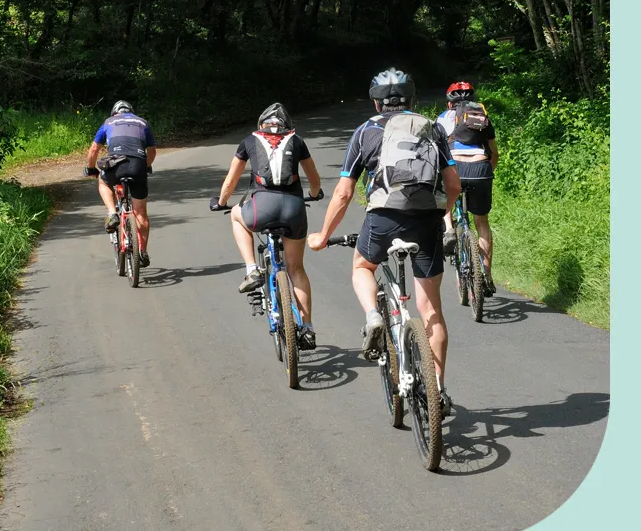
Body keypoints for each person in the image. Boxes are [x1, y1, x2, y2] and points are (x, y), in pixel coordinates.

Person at [307, 69, 460, 415]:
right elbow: (453, 186)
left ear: (376, 101)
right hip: (426, 221)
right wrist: (440, 215)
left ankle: (374, 316)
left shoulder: (366, 131)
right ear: (412, 99)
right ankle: (436, 391)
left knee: (362, 266)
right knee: (431, 309)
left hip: (384, 218)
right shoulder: (432, 128)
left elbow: (344, 192)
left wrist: (323, 236)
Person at [210, 103, 323, 348]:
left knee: (236, 216)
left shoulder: (249, 141)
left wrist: (221, 202)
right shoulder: (297, 141)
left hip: (261, 209)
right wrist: (315, 194)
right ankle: (308, 327)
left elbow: (231, 180)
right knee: (297, 269)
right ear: (287, 125)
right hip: (294, 209)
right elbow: (314, 179)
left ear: (261, 124)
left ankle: (251, 268)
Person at [437, 82, 498, 296]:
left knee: (444, 198)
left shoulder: (443, 117)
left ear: (449, 102)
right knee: (482, 222)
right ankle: (487, 277)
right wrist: (486, 173)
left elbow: (435, 152)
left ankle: (449, 229)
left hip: (455, 169)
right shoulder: (482, 116)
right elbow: (494, 153)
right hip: (481, 169)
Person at [84, 100, 156, 268]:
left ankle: (112, 213)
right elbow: (152, 151)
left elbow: (94, 149)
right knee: (141, 214)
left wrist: (90, 169)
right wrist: (145, 167)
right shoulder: (142, 122)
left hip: (115, 164)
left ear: (114, 113)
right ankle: (143, 252)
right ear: (131, 111)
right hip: (138, 165)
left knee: (103, 182)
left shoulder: (108, 122)